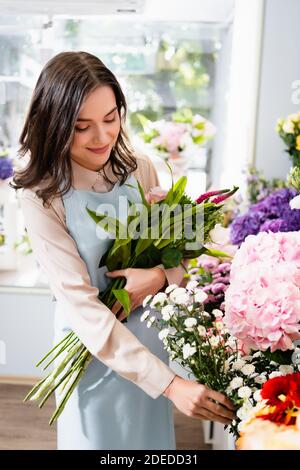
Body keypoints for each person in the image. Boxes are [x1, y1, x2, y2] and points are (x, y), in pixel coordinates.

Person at [12, 51, 235, 450]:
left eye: (110, 119)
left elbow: (177, 256)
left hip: (151, 346)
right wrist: (170, 386)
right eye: (82, 127)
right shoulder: (42, 195)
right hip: (94, 352)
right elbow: (81, 306)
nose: (102, 138)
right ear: (54, 125)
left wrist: (160, 277)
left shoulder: (138, 168)